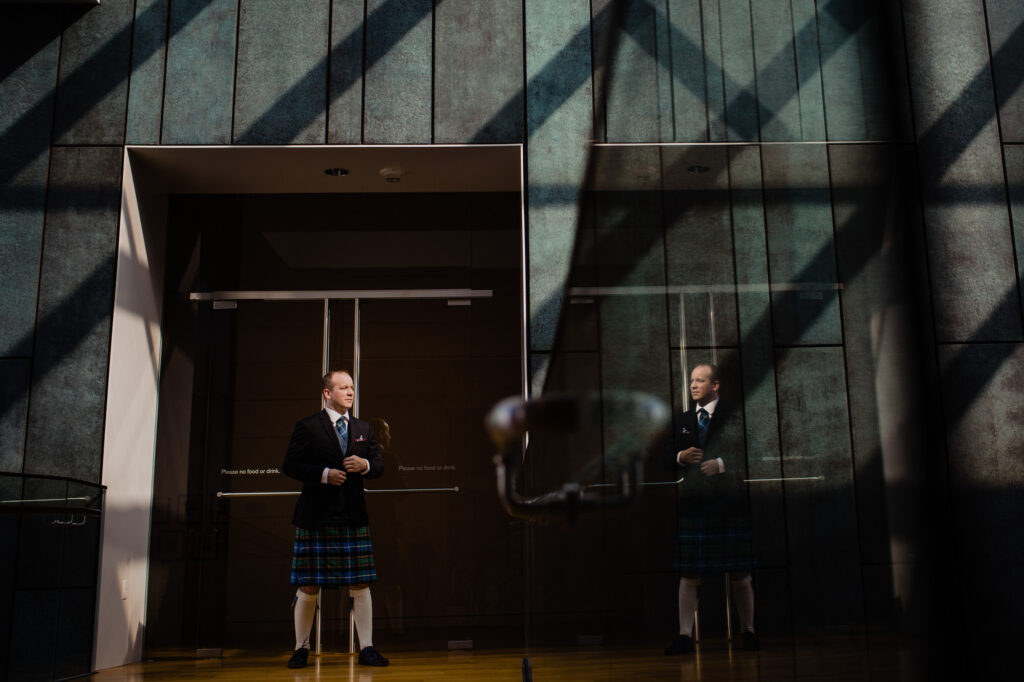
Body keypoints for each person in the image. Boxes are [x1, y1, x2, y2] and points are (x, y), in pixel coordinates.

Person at [282, 370, 389, 668]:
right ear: (327, 393)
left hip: (352, 515)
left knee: (361, 582)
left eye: (352, 387)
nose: (350, 392)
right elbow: (290, 464)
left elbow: (379, 466)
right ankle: (300, 648)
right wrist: (324, 474)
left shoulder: (362, 427)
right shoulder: (307, 426)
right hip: (317, 516)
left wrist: (365, 463)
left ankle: (367, 648)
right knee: (309, 584)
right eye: (343, 387)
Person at [665, 364, 759, 654]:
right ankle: (684, 637)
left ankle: (749, 631)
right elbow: (662, 458)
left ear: (715, 385)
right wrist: (680, 456)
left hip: (728, 504)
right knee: (689, 573)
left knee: (740, 572)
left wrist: (721, 464)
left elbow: (751, 452)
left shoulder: (735, 416)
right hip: (695, 506)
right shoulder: (681, 420)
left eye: (700, 380)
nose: (693, 385)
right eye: (692, 380)